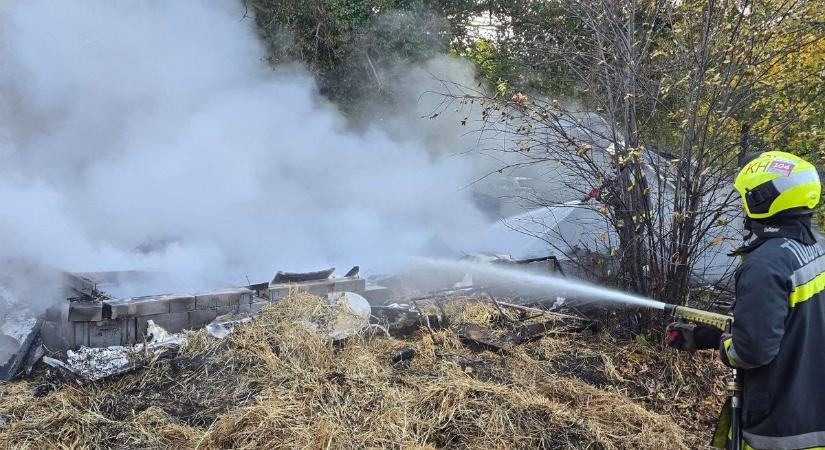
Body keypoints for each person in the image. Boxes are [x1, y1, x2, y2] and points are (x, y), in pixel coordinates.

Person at [666, 151, 825, 450]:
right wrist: (708, 334)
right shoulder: (815, 247)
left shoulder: (766, 264)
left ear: (761, 199)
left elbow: (752, 352)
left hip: (781, 430)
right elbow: (794, 321)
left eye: (745, 196)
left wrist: (726, 344)